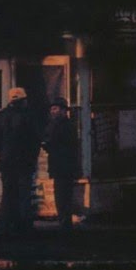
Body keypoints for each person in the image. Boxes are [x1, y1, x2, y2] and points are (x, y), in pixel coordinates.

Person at [0, 86, 41, 236]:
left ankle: (5, 225)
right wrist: (32, 157)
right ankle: (24, 226)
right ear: (24, 100)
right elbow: (35, 140)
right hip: (24, 161)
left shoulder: (0, 115)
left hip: (6, 161)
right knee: (24, 194)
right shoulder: (29, 116)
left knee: (7, 193)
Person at [42, 96, 79, 232]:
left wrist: (47, 144)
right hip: (64, 165)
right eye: (52, 109)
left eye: (55, 108)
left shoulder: (59, 126)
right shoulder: (66, 125)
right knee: (64, 195)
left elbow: (51, 142)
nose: (53, 111)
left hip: (61, 164)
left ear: (63, 110)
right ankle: (64, 221)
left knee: (62, 195)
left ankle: (64, 222)